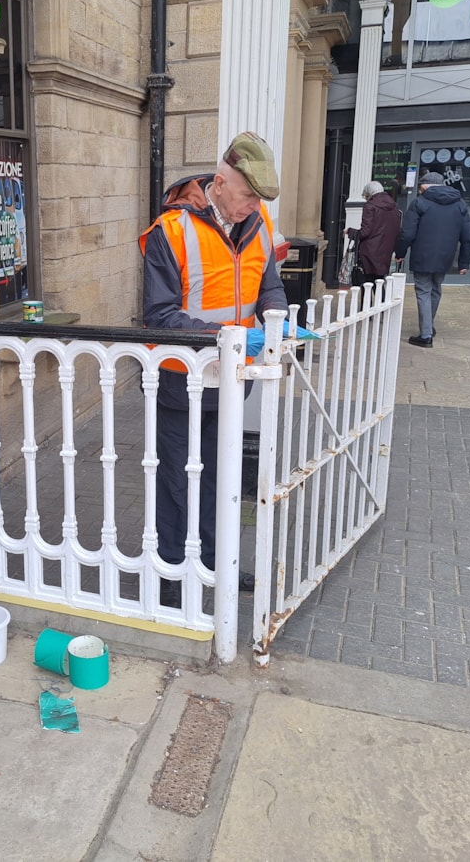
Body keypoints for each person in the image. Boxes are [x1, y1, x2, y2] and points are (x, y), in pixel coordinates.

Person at [141, 131, 289, 607]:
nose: (252, 206)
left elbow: (269, 284)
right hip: (180, 377)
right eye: (247, 195)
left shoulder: (259, 220)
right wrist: (232, 336)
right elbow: (159, 316)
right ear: (220, 182)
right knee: (176, 479)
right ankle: (169, 573)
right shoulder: (172, 229)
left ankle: (210, 562)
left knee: (220, 476)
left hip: (232, 376)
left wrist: (277, 319)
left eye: (258, 199)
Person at [394, 171, 470, 348]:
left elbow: (407, 233)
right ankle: (428, 326)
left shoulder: (420, 203)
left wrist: (400, 253)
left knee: (423, 291)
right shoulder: (459, 204)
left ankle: (425, 335)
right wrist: (464, 262)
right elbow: (468, 236)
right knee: (435, 289)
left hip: (422, 256)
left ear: (424, 187)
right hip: (445, 256)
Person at [345, 181, 402, 286]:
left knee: (367, 284)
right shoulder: (394, 206)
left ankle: (368, 303)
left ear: (369, 194)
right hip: (386, 250)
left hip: (370, 251)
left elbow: (365, 232)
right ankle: (382, 302)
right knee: (379, 283)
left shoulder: (370, 206)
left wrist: (350, 231)